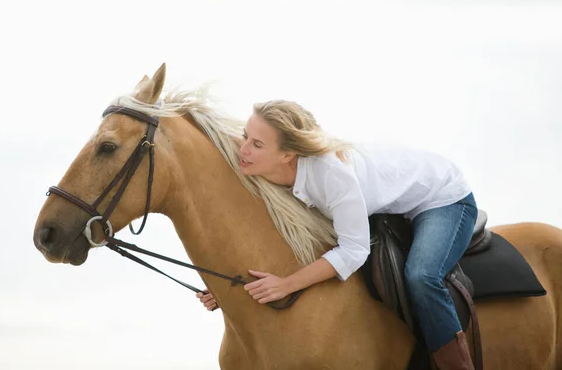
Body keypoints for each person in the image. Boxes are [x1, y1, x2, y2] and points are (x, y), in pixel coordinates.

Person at [196, 99, 478, 369]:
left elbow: (354, 250)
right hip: (390, 197)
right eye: (246, 137)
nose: (242, 149)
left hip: (441, 197)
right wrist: (228, 289)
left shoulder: (332, 176)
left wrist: (287, 284)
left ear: (287, 154)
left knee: (422, 276)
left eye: (256, 144)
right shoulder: (265, 165)